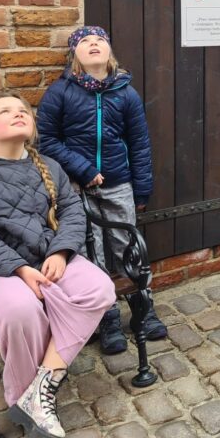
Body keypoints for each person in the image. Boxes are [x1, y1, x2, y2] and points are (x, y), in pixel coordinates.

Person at [0, 91, 116, 438]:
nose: (18, 113)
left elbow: (72, 212)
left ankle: (39, 389)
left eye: (23, 110)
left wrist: (60, 252)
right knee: (21, 310)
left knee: (100, 289)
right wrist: (20, 268)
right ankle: (31, 403)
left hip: (50, 258)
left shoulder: (49, 167)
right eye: (5, 111)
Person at [36, 26, 166, 355]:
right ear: (74, 54)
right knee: (89, 251)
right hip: (76, 187)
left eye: (100, 40)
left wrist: (141, 188)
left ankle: (142, 307)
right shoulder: (60, 92)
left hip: (118, 182)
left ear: (109, 51)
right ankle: (106, 317)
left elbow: (139, 143)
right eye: (85, 41)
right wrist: (82, 169)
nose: (93, 44)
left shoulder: (126, 93)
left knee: (128, 246)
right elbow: (46, 141)